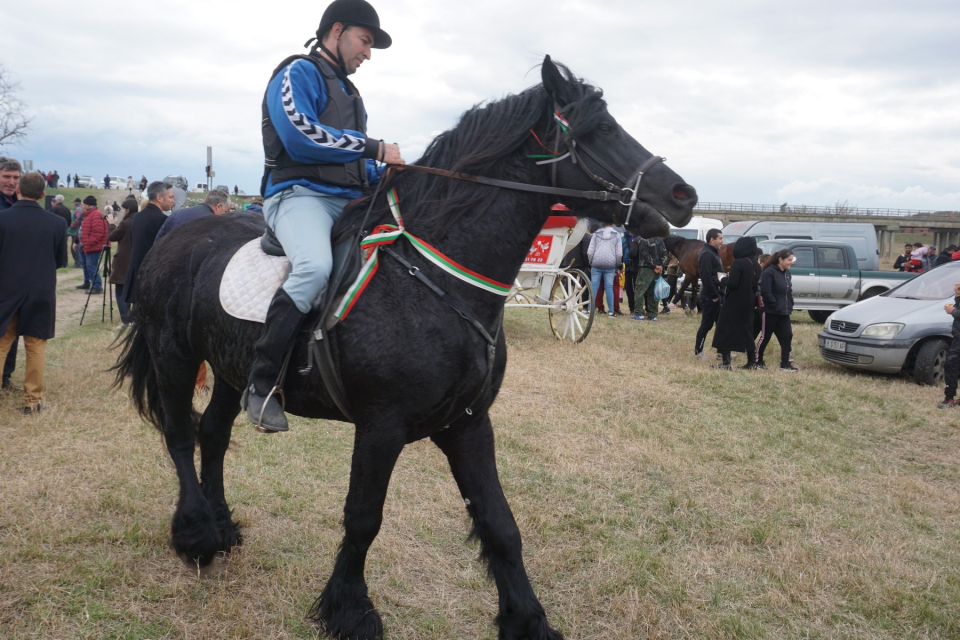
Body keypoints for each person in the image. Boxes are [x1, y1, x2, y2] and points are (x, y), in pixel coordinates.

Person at [246, 0, 401, 432]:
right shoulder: (296, 72)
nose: (367, 54)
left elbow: (355, 164)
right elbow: (300, 136)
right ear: (337, 30)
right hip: (299, 197)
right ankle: (261, 386)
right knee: (314, 268)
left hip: (350, 200)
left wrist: (384, 169)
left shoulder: (352, 94)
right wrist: (373, 148)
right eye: (365, 41)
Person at [0, 171, 67, 413]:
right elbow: (60, 260)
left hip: (6, 290)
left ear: (18, 190)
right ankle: (33, 401)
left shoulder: (2, 219)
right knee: (36, 346)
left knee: (1, 344)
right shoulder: (57, 223)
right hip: (40, 290)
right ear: (42, 194)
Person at [711, 236, 761, 369]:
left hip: (734, 302)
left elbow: (732, 284)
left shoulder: (739, 263)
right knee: (747, 331)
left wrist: (722, 278)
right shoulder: (755, 264)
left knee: (725, 329)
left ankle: (726, 363)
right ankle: (752, 362)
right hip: (749, 302)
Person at [123, 181, 175, 307]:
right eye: (171, 197)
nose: (173, 200)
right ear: (159, 198)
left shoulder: (137, 217)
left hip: (136, 271)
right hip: (151, 276)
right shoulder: (162, 220)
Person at [0, 157, 23, 391]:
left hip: (13, 279)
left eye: (15, 178)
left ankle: (6, 376)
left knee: (11, 329)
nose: (11, 181)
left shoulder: (18, 202)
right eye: (6, 176)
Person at [756, 248, 798, 372]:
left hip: (784, 312)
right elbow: (766, 292)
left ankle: (785, 364)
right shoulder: (769, 272)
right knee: (765, 336)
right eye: (789, 260)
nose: (791, 262)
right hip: (770, 311)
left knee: (787, 335)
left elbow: (788, 291)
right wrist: (774, 304)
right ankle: (758, 361)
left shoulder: (787, 273)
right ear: (781, 259)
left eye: (792, 260)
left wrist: (790, 304)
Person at [154, 189, 231, 241]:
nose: (225, 215)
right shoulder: (213, 223)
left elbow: (158, 242)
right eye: (226, 211)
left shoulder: (175, 215)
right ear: (219, 207)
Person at [694, 228, 725, 358]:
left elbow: (715, 274)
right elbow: (706, 276)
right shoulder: (707, 254)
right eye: (720, 238)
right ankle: (698, 351)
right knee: (706, 325)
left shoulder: (713, 253)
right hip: (710, 295)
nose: (722, 241)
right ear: (712, 239)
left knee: (721, 324)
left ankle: (722, 351)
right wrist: (714, 295)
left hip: (718, 294)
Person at [109, 199, 139, 327]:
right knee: (134, 290)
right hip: (136, 259)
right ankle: (134, 318)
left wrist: (111, 224)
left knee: (121, 291)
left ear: (127, 209)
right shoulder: (139, 220)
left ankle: (126, 319)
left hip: (124, 261)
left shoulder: (126, 223)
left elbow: (112, 237)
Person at [630, 234, 668, 321]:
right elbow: (665, 254)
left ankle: (639, 313)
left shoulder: (643, 239)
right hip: (658, 271)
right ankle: (653, 315)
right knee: (653, 293)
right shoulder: (660, 239)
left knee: (639, 290)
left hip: (646, 269)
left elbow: (645, 255)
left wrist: (654, 266)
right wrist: (660, 266)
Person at [587, 222, 622, 318]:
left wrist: (591, 261)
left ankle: (590, 309)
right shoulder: (616, 235)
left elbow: (590, 251)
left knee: (594, 286)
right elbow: (619, 254)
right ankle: (611, 312)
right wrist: (616, 263)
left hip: (596, 262)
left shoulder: (595, 234)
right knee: (609, 287)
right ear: (613, 223)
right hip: (610, 264)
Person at [76, 196, 110, 294]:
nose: (83, 206)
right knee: (88, 265)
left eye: (84, 204)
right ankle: (90, 283)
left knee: (92, 266)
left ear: (87, 205)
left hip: (93, 246)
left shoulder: (96, 214)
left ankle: (97, 286)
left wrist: (88, 243)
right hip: (86, 245)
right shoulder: (89, 214)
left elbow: (97, 233)